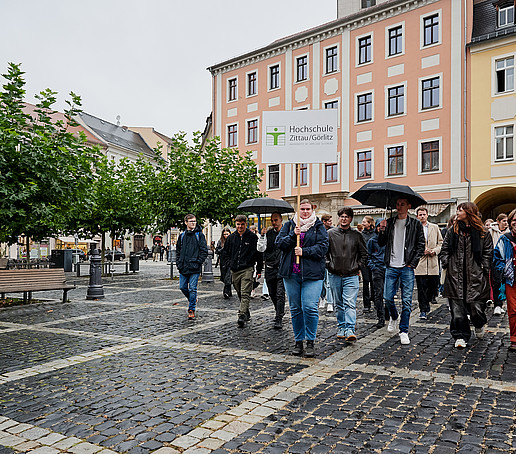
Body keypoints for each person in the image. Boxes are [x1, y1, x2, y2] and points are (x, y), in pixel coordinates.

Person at [276, 199, 329, 357]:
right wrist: (293, 236)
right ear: (298, 210)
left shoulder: (318, 226)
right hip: (292, 274)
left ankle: (310, 341)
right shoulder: (290, 225)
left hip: (312, 275)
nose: (305, 212)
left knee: (309, 307)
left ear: (312, 209)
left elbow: (323, 247)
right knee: (295, 309)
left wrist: (304, 252)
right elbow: (279, 243)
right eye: (302, 209)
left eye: (307, 209)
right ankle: (299, 341)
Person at [440, 202, 493, 349]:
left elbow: (488, 252)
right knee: (458, 311)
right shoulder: (453, 230)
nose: (457, 212)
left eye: (460, 210)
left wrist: (484, 268)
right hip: (455, 276)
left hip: (475, 276)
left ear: (469, 212)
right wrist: (446, 263)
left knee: (476, 308)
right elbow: (444, 250)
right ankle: (460, 336)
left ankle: (479, 323)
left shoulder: (483, 232)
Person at [378, 198, 425, 345]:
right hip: (391, 266)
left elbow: (420, 245)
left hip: (406, 267)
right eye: (397, 204)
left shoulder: (415, 224)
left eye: (402, 204)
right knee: (387, 297)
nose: (399, 207)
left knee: (407, 301)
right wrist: (382, 230)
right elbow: (381, 243)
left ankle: (403, 330)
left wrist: (412, 263)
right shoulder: (390, 222)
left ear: (408, 206)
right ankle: (393, 316)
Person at [327, 207, 368, 343]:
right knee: (339, 303)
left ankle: (350, 329)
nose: (344, 218)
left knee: (349, 303)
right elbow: (324, 253)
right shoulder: (330, 234)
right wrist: (328, 264)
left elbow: (364, 254)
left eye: (346, 216)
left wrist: (358, 266)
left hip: (351, 274)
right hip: (335, 274)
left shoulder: (356, 235)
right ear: (339, 218)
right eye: (341, 216)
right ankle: (341, 327)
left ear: (351, 219)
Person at [224, 215, 262, 327]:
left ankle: (241, 315)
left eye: (242, 224)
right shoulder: (231, 238)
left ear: (246, 224)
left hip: (247, 268)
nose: (240, 226)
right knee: (240, 292)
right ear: (235, 224)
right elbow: (225, 252)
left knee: (245, 292)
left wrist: (258, 269)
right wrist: (229, 264)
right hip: (235, 270)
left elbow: (259, 254)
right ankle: (246, 312)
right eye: (238, 224)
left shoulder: (252, 237)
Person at [176, 214, 208, 320]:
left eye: (194, 221)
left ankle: (191, 309)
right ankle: (193, 299)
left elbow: (204, 251)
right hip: (184, 267)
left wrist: (198, 262)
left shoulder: (199, 235)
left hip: (195, 267)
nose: (193, 223)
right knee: (182, 287)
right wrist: (179, 263)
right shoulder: (182, 236)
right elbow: (178, 251)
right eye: (191, 221)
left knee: (193, 288)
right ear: (186, 223)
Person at [493, 208, 516, 352]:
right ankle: (514, 339)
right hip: (511, 280)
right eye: (514, 220)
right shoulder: (504, 239)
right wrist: (505, 268)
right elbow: (496, 258)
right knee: (513, 310)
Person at [257, 212, 285, 329]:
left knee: (280, 294)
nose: (274, 223)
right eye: (272, 220)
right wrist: (262, 236)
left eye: (276, 220)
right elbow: (261, 249)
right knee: (272, 293)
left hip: (281, 267)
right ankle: (278, 310)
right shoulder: (268, 234)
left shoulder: (286, 232)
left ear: (281, 220)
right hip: (269, 267)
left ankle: (279, 316)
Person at [415, 207, 443, 320]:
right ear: (417, 216)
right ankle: (423, 309)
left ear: (427, 215)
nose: (422, 216)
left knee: (432, 287)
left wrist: (434, 251)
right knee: (421, 288)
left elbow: (440, 243)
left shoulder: (435, 227)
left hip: (432, 262)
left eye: (424, 214)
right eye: (420, 214)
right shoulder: (414, 228)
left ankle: (428, 301)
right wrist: (421, 251)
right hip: (420, 263)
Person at [368, 219, 388, 328]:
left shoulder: (390, 240)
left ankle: (388, 312)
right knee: (378, 293)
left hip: (389, 269)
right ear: (376, 227)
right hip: (377, 269)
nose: (382, 228)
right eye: (380, 226)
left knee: (389, 294)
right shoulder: (372, 240)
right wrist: (373, 266)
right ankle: (381, 317)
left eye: (384, 226)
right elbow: (368, 255)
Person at [489, 213, 509, 315]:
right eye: (504, 221)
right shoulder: (492, 231)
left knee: (506, 283)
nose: (506, 223)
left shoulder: (509, 232)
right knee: (496, 282)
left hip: (508, 260)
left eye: (507, 221)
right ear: (498, 221)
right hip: (495, 260)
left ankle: (504, 303)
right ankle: (497, 304)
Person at [360, 216, 376, 314]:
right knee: (366, 282)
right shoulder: (361, 234)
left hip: (374, 261)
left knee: (374, 282)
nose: (363, 223)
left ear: (369, 223)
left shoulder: (375, 234)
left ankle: (374, 299)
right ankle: (366, 304)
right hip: (364, 261)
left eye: (364, 222)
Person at [319, 214, 334, 313]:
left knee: (329, 282)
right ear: (324, 222)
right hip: (320, 259)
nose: (330, 222)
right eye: (329, 221)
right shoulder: (319, 230)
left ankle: (330, 302)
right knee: (321, 281)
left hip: (330, 259)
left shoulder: (333, 231)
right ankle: (322, 298)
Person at [215, 228, 232, 299]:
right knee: (224, 276)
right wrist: (222, 250)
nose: (225, 236)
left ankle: (226, 291)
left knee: (228, 276)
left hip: (231, 260)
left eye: (227, 234)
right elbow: (216, 250)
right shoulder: (220, 242)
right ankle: (229, 291)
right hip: (223, 261)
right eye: (224, 234)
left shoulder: (232, 241)